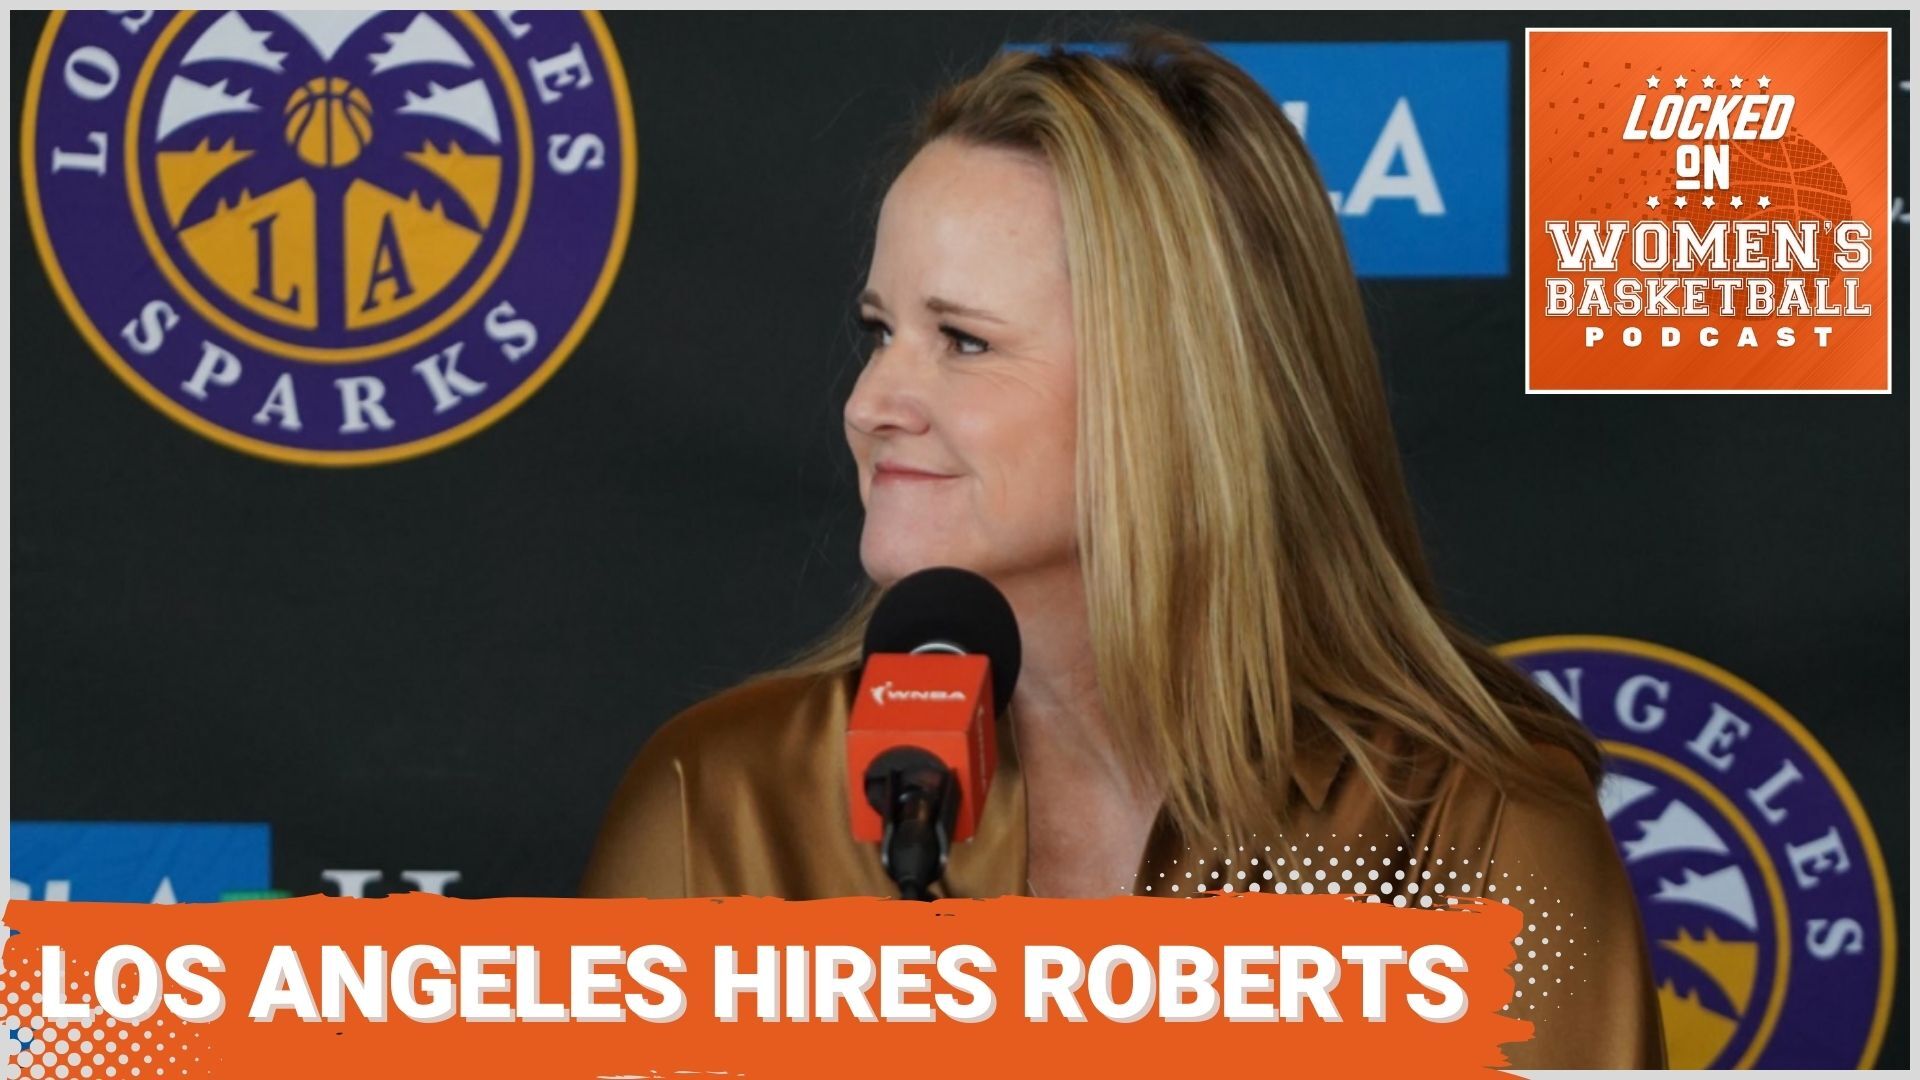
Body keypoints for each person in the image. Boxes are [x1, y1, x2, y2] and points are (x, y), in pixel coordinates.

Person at [581, 29, 1663, 1067]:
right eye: (880, 331)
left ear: (1181, 393)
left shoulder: (1473, 833)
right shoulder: (719, 804)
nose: (871, 403)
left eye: (963, 341)